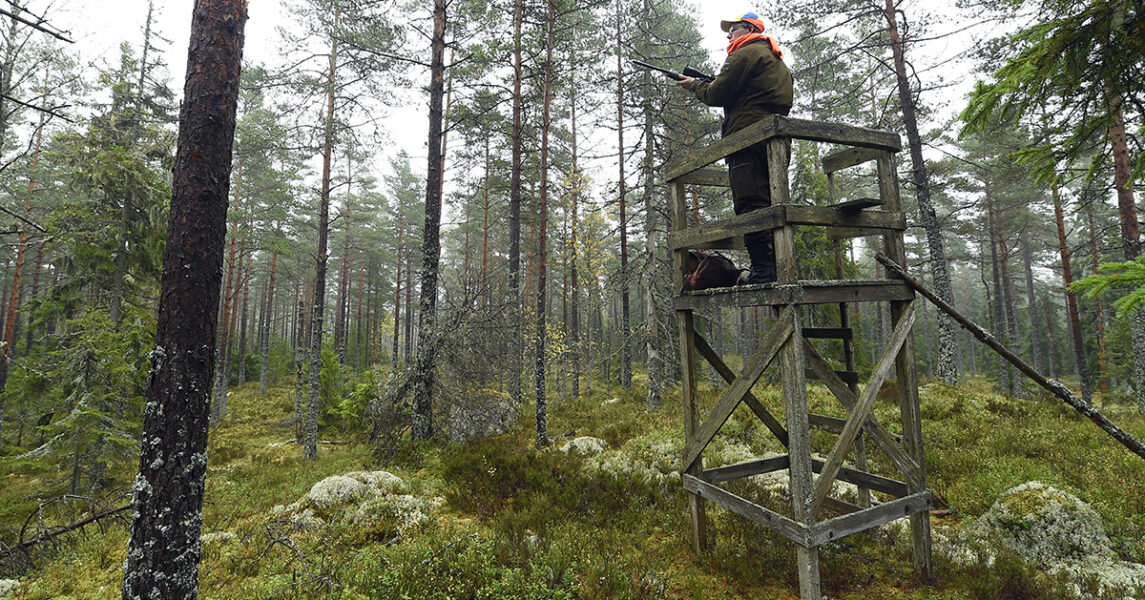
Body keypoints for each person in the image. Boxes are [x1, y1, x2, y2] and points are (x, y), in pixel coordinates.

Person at [676, 11, 793, 285]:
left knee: (750, 203)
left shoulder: (745, 54)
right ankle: (775, 268)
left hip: (748, 140)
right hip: (775, 142)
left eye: (734, 29)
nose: (729, 35)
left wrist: (695, 86)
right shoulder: (776, 61)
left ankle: (765, 272)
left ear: (750, 28)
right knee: (772, 203)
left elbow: (717, 94)